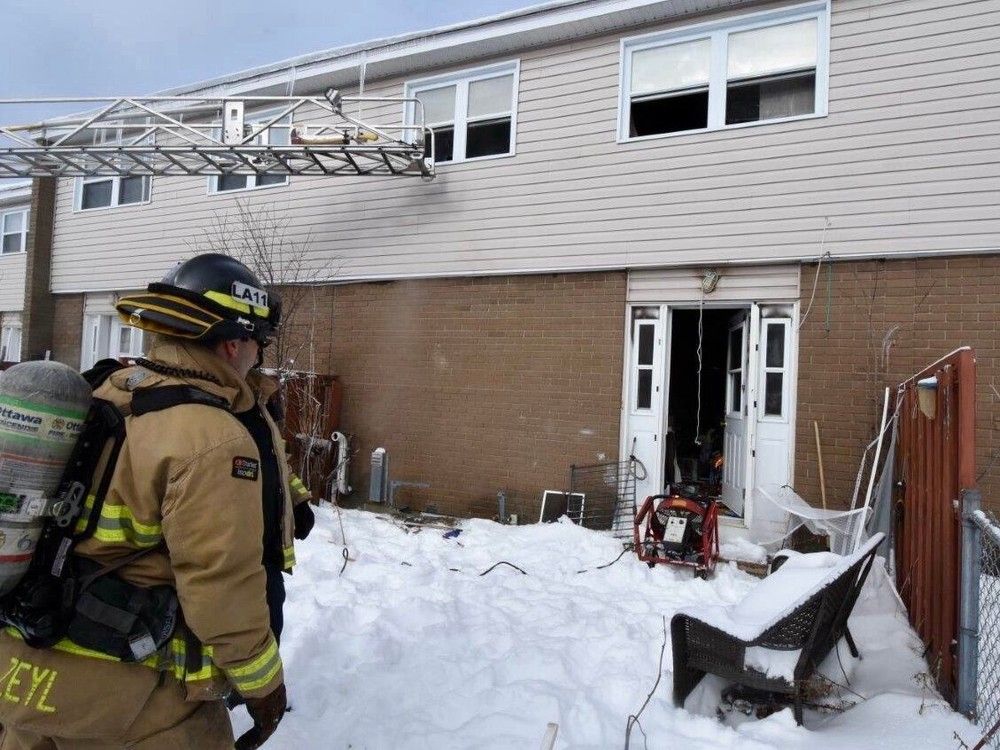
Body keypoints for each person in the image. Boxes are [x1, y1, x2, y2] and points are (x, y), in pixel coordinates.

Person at [0, 254, 311, 749]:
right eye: (259, 342)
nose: (259, 355)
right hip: (134, 705)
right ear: (234, 343)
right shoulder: (212, 434)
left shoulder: (109, 390)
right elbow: (220, 584)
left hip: (28, 675)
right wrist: (263, 685)